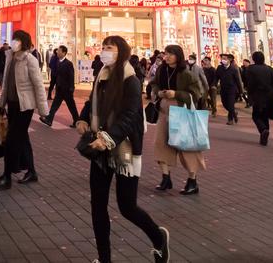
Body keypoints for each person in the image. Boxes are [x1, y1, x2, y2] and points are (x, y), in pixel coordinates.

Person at [77, 35, 170, 263]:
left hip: (123, 148)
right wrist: (82, 118)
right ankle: (104, 258)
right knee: (97, 206)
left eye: (109, 48)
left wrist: (109, 138)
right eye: (103, 47)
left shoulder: (131, 79)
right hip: (100, 148)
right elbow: (92, 102)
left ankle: (158, 238)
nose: (104, 51)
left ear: (122, 52)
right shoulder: (102, 74)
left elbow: (130, 116)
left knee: (127, 206)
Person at [0, 30, 48, 188]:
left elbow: (38, 86)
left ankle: (7, 175)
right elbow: (5, 84)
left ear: (24, 42)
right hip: (12, 104)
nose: (14, 42)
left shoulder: (29, 59)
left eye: (17, 39)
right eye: (14, 39)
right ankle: (31, 172)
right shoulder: (10, 58)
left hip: (25, 106)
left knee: (12, 140)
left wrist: (43, 110)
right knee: (22, 138)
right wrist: (0, 105)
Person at [150, 44, 204, 195]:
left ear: (178, 56)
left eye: (170, 54)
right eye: (165, 54)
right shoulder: (162, 70)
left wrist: (176, 94)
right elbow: (153, 83)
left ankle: (192, 180)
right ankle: (165, 177)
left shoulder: (186, 73)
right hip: (164, 109)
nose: (166, 57)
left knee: (186, 146)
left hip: (181, 110)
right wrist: (158, 92)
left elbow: (197, 94)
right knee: (160, 143)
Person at [42, 45, 79, 127]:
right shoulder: (58, 61)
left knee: (71, 106)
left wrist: (72, 88)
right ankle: (49, 119)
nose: (57, 52)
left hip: (66, 89)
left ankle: (77, 121)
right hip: (59, 88)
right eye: (57, 50)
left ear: (64, 53)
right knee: (55, 105)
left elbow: (71, 76)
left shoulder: (68, 63)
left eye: (59, 51)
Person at [244, 51, 273, 146]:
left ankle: (263, 130)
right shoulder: (270, 69)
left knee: (256, 116)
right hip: (269, 96)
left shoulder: (250, 69)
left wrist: (250, 97)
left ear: (254, 59)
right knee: (265, 116)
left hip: (257, 96)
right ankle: (264, 135)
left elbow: (250, 84)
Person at [216, 53, 244, 124]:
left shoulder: (233, 69)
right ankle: (234, 112)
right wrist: (214, 85)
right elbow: (216, 78)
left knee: (231, 104)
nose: (223, 60)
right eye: (222, 59)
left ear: (229, 60)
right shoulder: (219, 68)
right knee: (225, 104)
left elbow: (238, 80)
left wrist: (241, 91)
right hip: (223, 89)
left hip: (232, 89)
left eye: (225, 59)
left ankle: (230, 119)